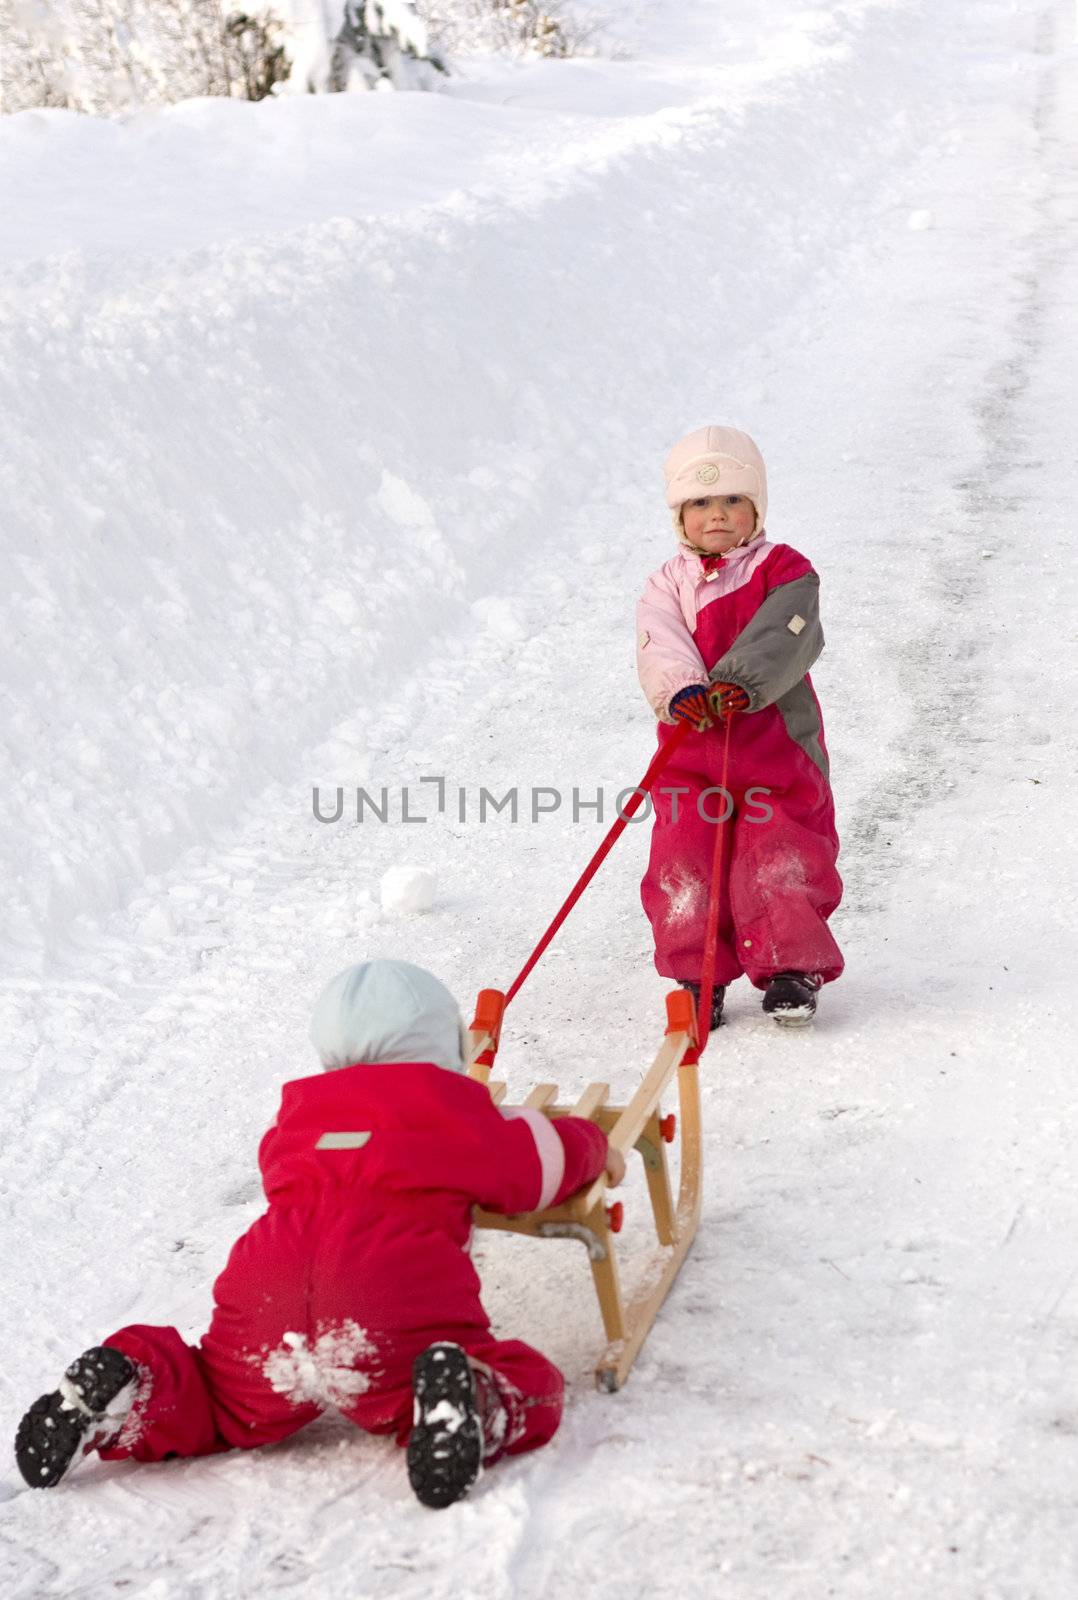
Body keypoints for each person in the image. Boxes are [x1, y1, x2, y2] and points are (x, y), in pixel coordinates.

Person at [14, 960, 621, 1509]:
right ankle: (470, 1399)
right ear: (446, 1045)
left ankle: (130, 1392)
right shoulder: (457, 1116)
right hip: (388, 1302)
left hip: (265, 1293)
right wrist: (594, 1146)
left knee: (219, 1401)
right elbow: (536, 1165)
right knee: (534, 1381)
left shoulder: (299, 1117)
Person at [636, 425, 843, 1027]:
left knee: (779, 849)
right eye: (699, 503)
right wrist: (684, 693)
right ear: (680, 514)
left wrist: (740, 683)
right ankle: (695, 974)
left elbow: (789, 628)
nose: (717, 515)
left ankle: (789, 966)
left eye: (732, 500)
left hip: (774, 743)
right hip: (691, 747)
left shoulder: (785, 568)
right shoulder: (665, 584)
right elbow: (659, 644)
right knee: (684, 853)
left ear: (757, 506)